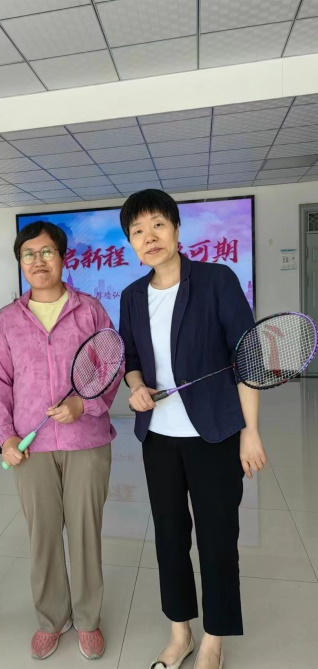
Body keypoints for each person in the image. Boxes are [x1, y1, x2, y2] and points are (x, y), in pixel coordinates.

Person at [118, 190, 267, 669]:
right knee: (169, 538)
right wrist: (136, 387)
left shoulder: (216, 280)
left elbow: (247, 357)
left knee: (218, 539)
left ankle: (214, 640)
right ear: (131, 243)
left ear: (177, 230)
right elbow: (131, 359)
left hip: (215, 436)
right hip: (159, 440)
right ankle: (180, 632)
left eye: (158, 225)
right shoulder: (131, 296)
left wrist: (250, 431)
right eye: (138, 231)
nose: (149, 237)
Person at [0, 221, 124, 661]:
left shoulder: (89, 311)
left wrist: (86, 404)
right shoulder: (8, 320)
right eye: (29, 254)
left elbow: (111, 365)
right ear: (20, 262)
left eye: (47, 252)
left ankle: (87, 619)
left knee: (85, 534)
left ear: (63, 258)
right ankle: (51, 619)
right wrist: (6, 436)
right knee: (42, 536)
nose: (38, 261)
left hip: (86, 441)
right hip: (31, 448)